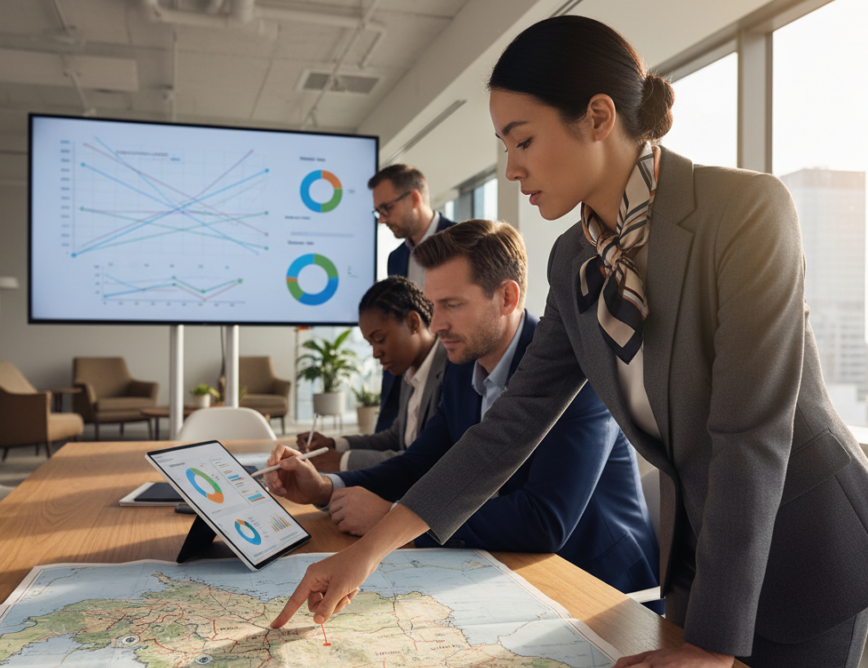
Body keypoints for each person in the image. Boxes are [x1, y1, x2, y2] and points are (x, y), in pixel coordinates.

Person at [270, 16, 868, 668]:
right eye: (506, 146)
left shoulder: (744, 212)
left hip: (807, 549)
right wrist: (369, 552)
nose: (513, 167)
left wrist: (711, 641)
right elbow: (508, 429)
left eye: (524, 140)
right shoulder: (575, 260)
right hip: (705, 553)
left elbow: (750, 434)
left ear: (598, 117)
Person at [268, 219, 660, 597]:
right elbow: (421, 464)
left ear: (507, 298)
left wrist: (395, 520)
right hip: (504, 570)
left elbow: (544, 520)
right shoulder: (462, 370)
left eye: (451, 305)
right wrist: (327, 487)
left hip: (598, 586)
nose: (435, 325)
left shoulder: (572, 370)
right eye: (433, 306)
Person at [297, 276, 448, 473]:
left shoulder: (449, 371)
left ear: (413, 323)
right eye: (371, 343)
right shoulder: (411, 371)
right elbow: (396, 438)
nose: (375, 353)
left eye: (380, 339)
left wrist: (341, 461)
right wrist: (335, 444)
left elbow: (427, 459)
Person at [370, 163, 455, 432]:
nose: (382, 219)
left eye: (386, 208)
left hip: (448, 373)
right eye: (378, 212)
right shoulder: (395, 258)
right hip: (402, 377)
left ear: (414, 198)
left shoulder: (461, 241)